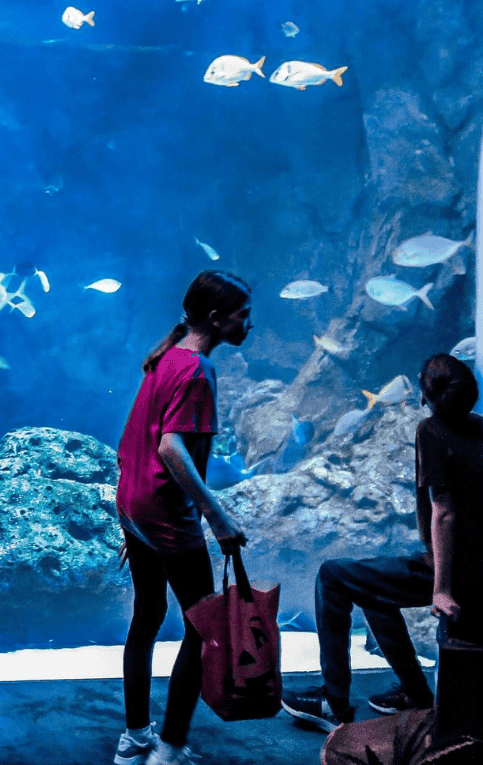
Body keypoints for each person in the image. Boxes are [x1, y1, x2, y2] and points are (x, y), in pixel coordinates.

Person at [281, 353, 483, 734]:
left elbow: (444, 512)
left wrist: (441, 589)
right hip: (474, 562)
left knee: (332, 576)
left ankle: (332, 701)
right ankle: (417, 695)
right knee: (372, 589)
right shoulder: (481, 428)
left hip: (459, 571)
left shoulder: (432, 430)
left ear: (427, 395)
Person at [114, 270, 252, 765]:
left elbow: (134, 439)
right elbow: (171, 447)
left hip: (135, 502)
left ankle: (134, 738)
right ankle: (169, 749)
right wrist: (216, 516)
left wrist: (135, 517)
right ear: (216, 319)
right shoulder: (196, 371)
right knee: (206, 627)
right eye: (243, 314)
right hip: (164, 511)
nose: (248, 324)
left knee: (147, 615)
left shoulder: (164, 358)